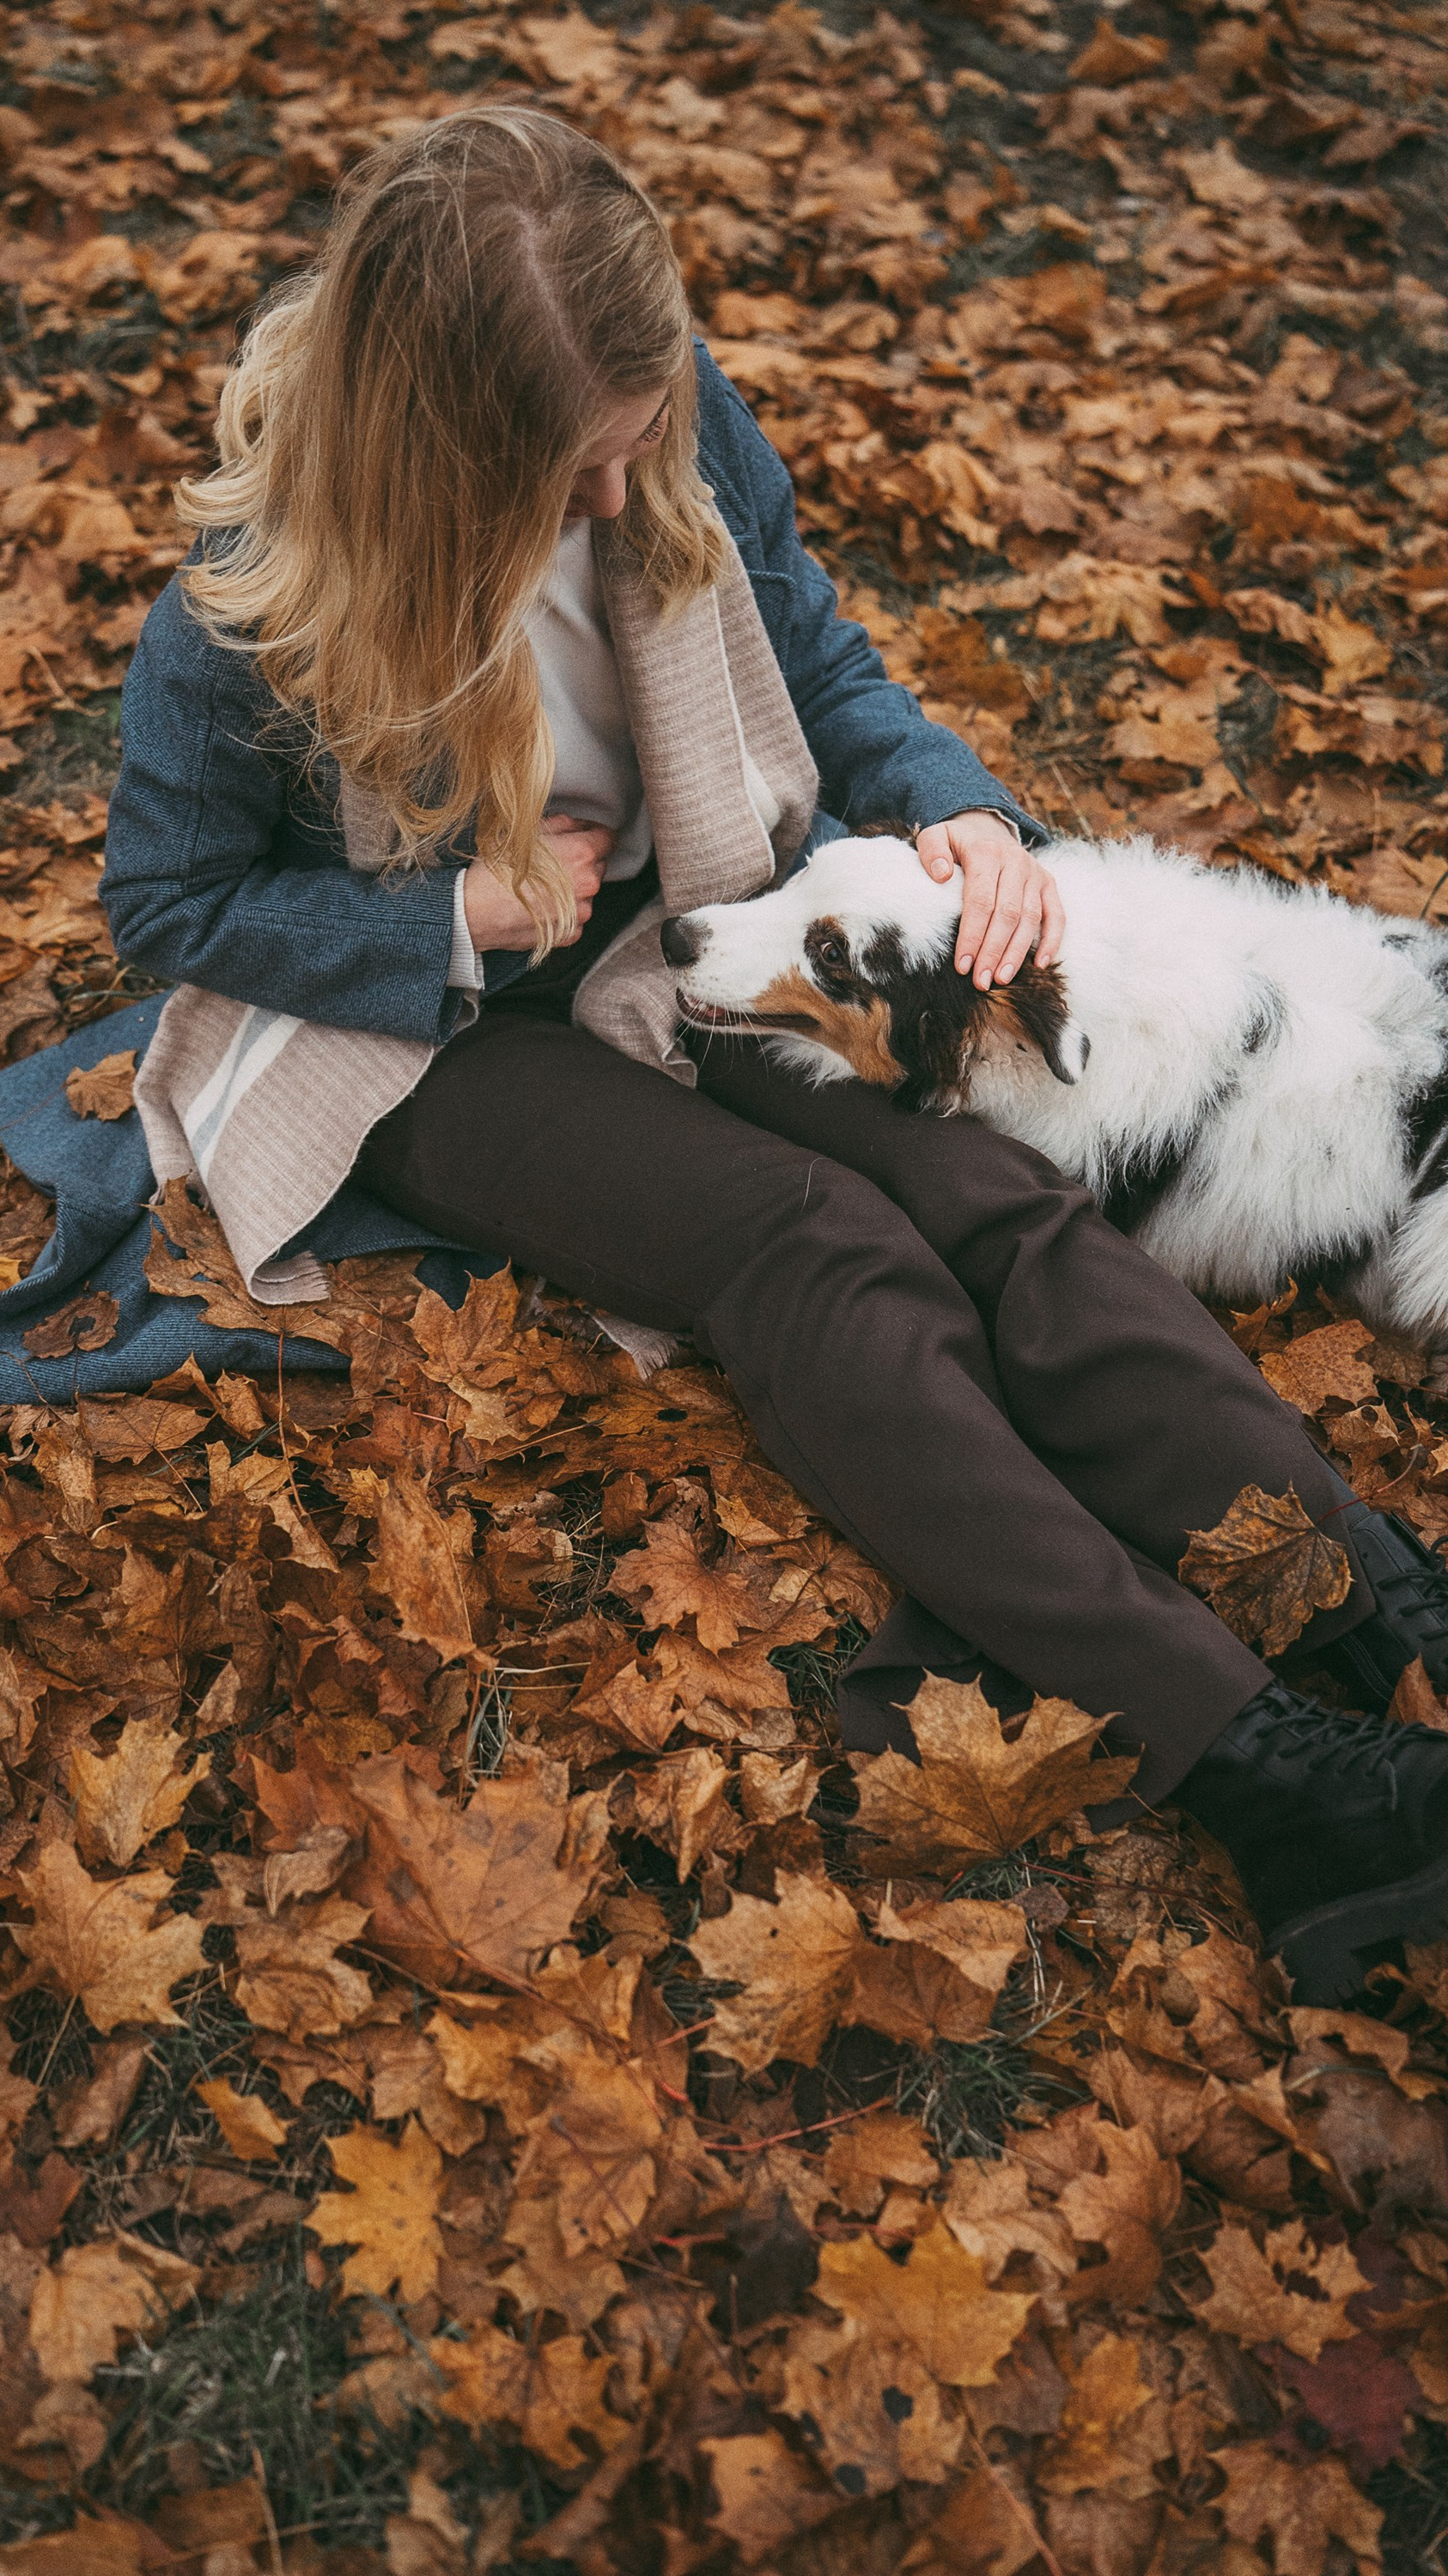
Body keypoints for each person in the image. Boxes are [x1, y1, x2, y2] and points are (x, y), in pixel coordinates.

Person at [100, 104, 1448, 2006]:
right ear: (442, 457)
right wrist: (445, 921)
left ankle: (1366, 1590)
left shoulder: (658, 411)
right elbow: (164, 909)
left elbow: (817, 663)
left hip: (694, 923)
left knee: (996, 1200)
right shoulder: (246, 608)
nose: (614, 495)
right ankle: (1265, 1770)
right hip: (436, 1031)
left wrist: (961, 816)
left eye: (634, 446)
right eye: (572, 475)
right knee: (815, 1251)